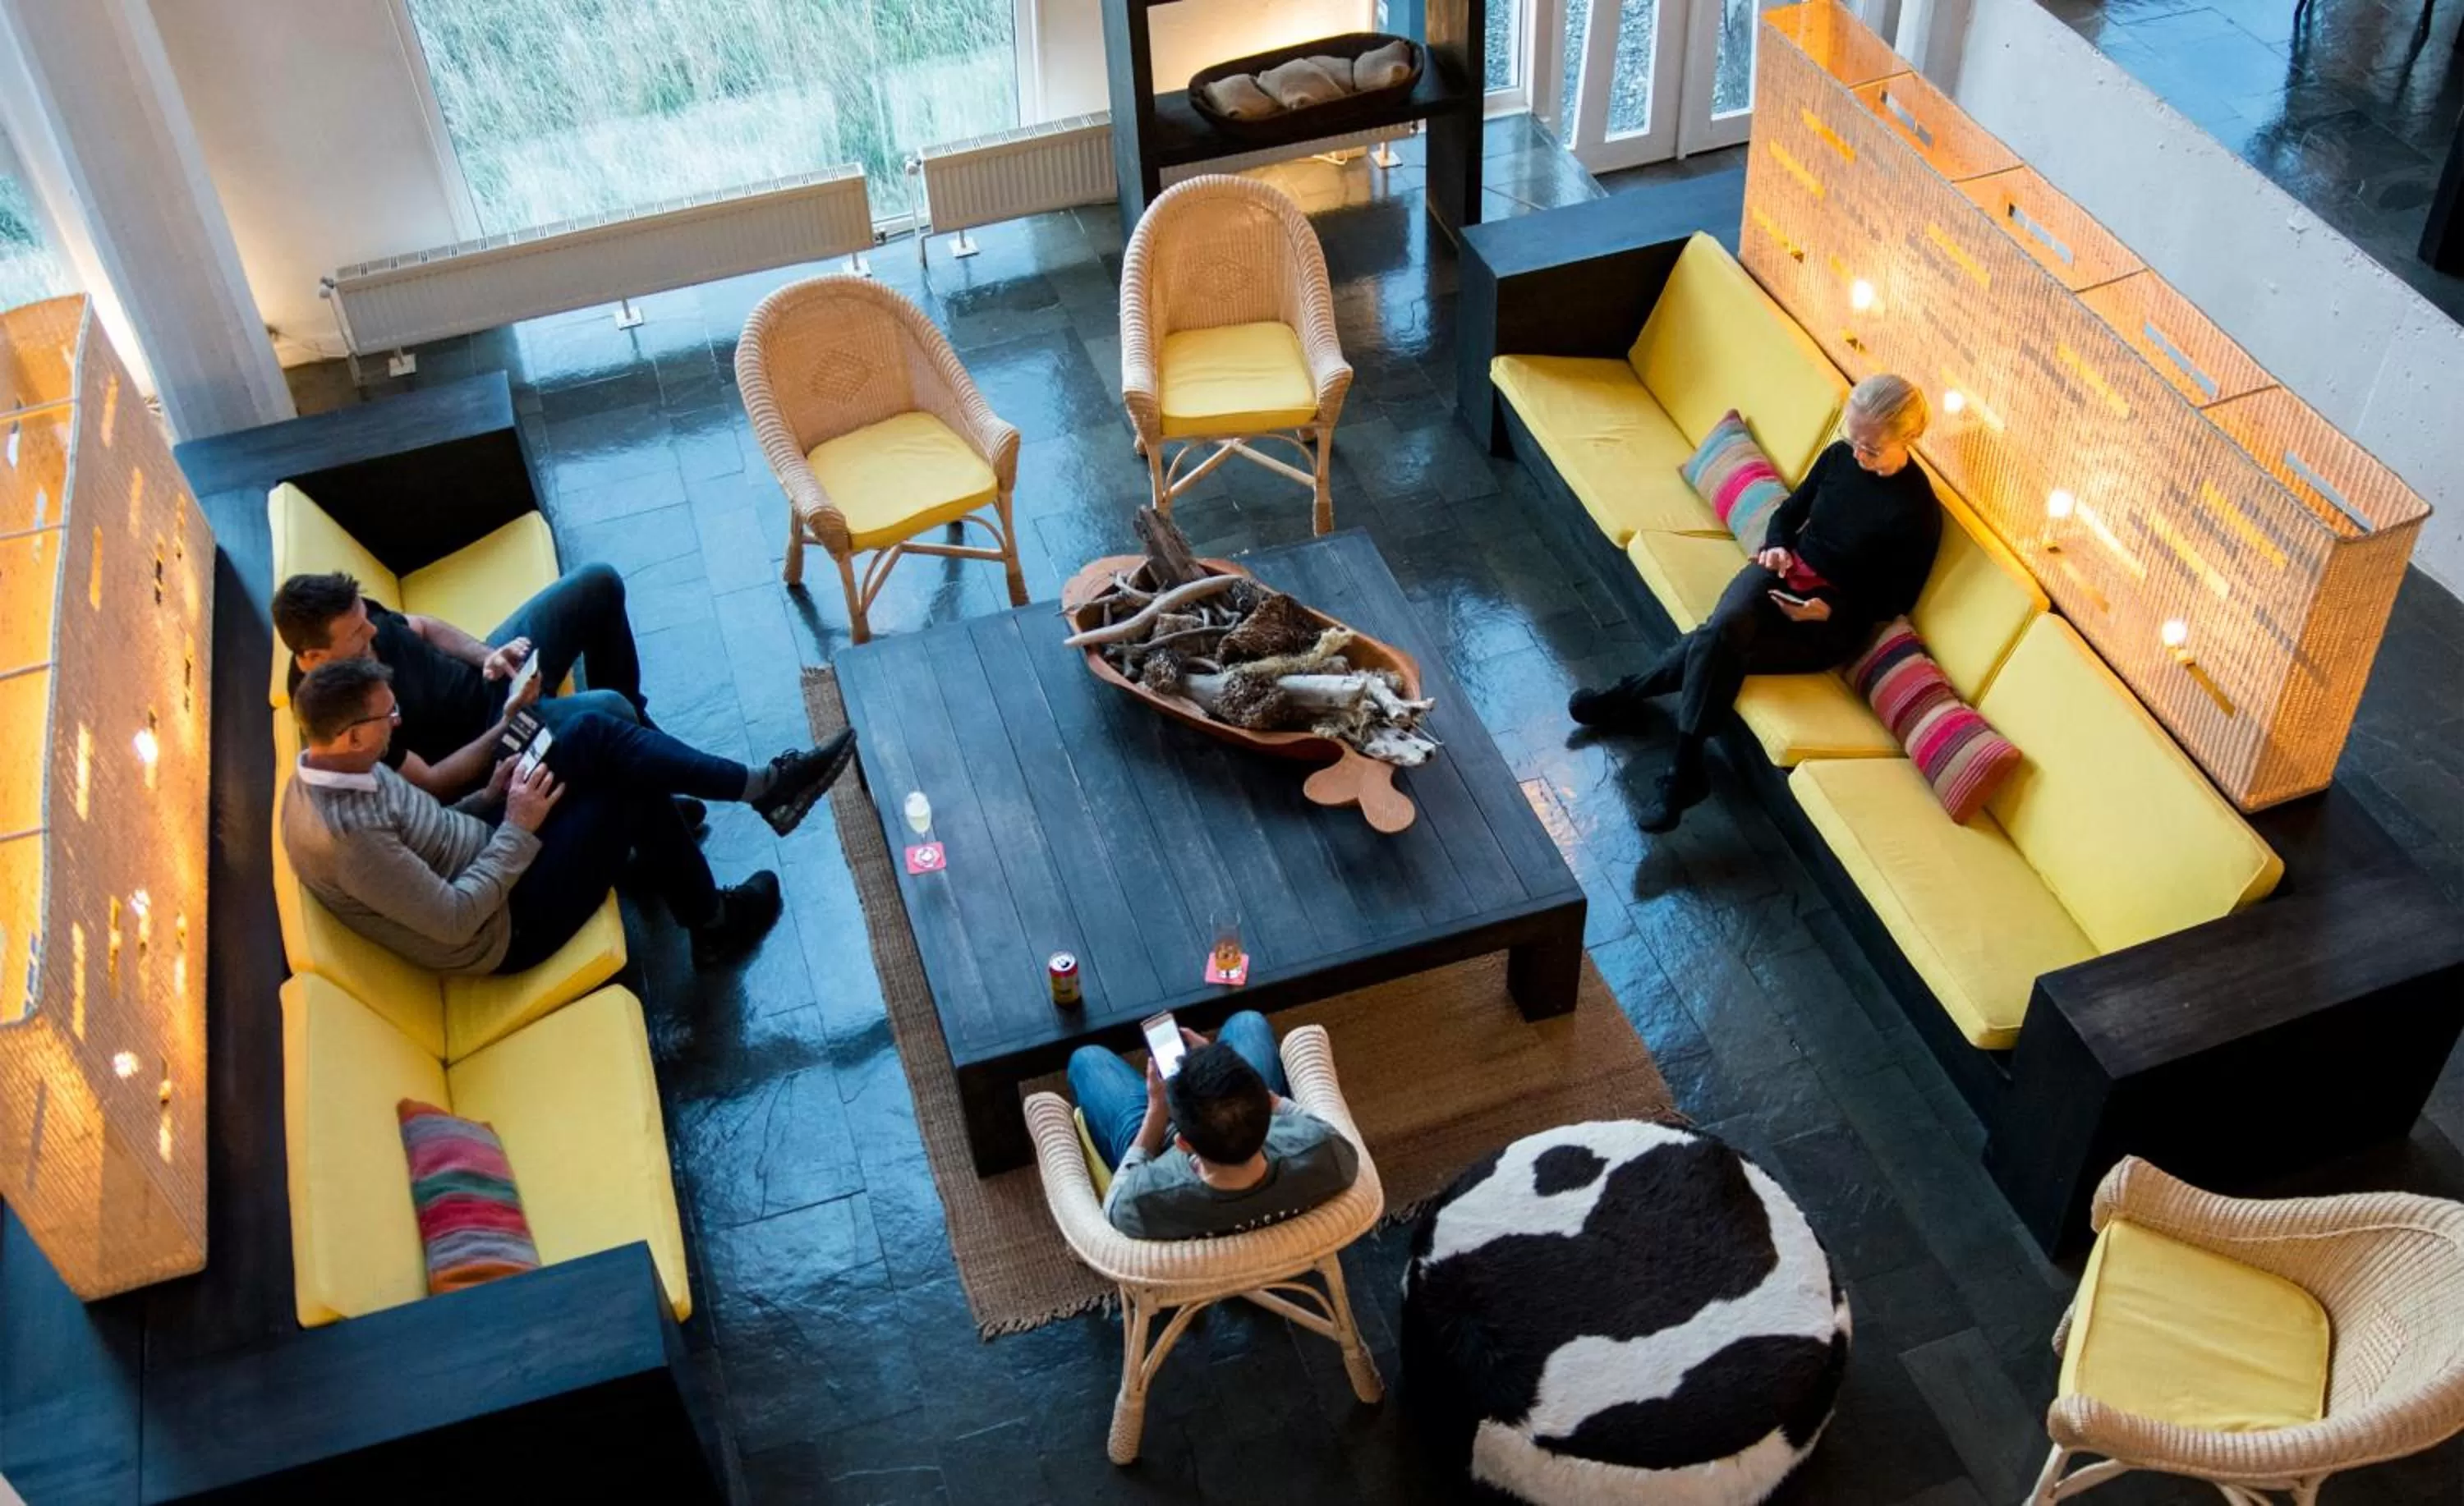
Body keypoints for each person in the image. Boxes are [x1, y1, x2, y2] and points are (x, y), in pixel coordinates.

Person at [281, 657, 854, 971]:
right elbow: (454, 920)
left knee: (592, 732)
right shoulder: (346, 838)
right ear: (353, 734)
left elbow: (424, 832)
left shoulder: (340, 762)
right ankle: (716, 919)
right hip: (504, 927)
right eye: (388, 717)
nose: (399, 721)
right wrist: (517, 826)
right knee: (629, 783)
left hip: (491, 846)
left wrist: (490, 799)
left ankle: (760, 791)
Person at [1568, 374, 1942, 833]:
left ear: (1909, 438)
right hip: (1785, 570)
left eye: (1872, 448)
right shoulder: (1839, 458)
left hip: (1829, 620)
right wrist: (1778, 546)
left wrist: (1830, 612)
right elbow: (1789, 514)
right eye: (1853, 438)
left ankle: (1646, 723)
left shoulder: (1917, 511)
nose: (1858, 454)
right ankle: (1677, 765)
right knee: (1720, 634)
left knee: (1721, 646)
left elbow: (1896, 597)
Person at [274, 565, 673, 808]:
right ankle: (643, 762)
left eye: (366, 619)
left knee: (598, 583)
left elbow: (425, 628)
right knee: (607, 708)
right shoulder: (340, 718)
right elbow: (434, 782)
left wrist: (489, 657)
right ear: (313, 658)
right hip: (488, 746)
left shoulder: (356, 617)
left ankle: (640, 740)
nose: (372, 630)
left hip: (489, 682)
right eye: (357, 634)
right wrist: (510, 722)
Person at [1069, 1012, 1360, 1240]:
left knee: (1087, 1059)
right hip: (1230, 1124)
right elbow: (1316, 1126)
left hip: (1161, 1143)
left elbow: (1114, 1206)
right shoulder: (1328, 1154)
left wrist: (1158, 1110)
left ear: (1184, 1145)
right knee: (1248, 1022)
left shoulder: (1143, 1199)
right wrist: (1220, 1068)